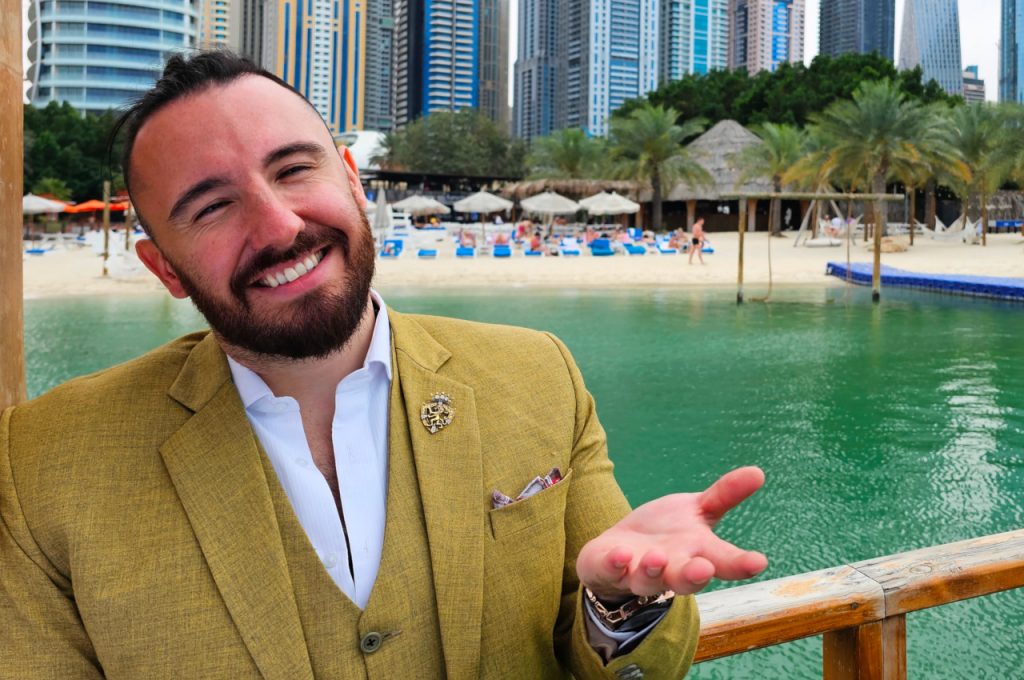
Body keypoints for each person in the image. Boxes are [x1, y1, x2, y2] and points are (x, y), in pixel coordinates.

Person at [0, 52, 767, 679]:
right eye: (211, 207)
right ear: (164, 267)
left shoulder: (539, 376)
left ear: (351, 179)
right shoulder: (44, 462)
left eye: (293, 170)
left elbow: (623, 664)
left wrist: (622, 604)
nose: (279, 226)